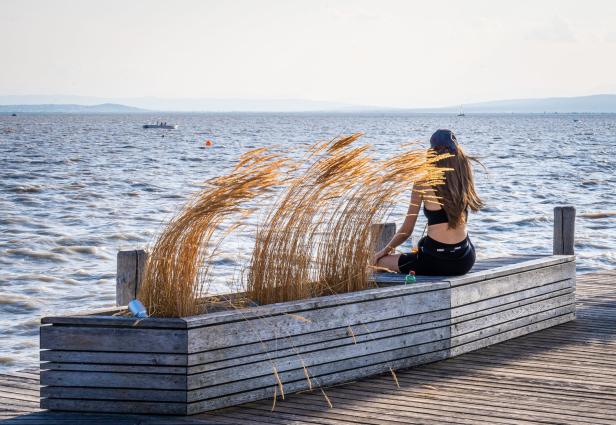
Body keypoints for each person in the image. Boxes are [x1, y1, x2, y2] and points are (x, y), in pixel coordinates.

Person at [373, 129, 484, 276]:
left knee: (378, 263)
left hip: (434, 261)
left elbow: (407, 230)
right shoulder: (464, 179)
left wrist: (382, 252)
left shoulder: (422, 182)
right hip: (465, 261)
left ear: (431, 154)